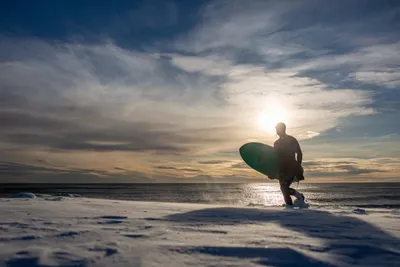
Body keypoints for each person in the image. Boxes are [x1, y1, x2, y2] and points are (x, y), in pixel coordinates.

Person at [273, 122, 305, 206]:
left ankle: (290, 207)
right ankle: (292, 205)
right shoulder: (276, 143)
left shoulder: (291, 140)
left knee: (284, 188)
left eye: (277, 129)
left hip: (291, 167)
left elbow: (299, 153)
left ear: (283, 129)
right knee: (284, 189)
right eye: (276, 129)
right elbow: (274, 159)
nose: (276, 131)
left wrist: (298, 166)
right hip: (281, 169)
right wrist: (271, 172)